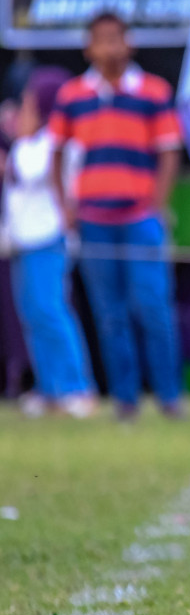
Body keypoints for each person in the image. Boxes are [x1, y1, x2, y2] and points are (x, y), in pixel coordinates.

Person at [50, 13, 183, 421]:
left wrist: (156, 204)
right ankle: (126, 400)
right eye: (101, 40)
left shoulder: (153, 91)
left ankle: (168, 397)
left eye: (116, 38)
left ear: (130, 43)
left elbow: (168, 151)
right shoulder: (73, 95)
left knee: (153, 308)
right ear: (88, 48)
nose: (109, 47)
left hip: (140, 218)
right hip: (93, 219)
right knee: (110, 315)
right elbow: (55, 153)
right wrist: (65, 206)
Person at [4, 67, 96, 417]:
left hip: (49, 238)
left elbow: (28, 171)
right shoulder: (29, 142)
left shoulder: (58, 142)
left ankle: (77, 387)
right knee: (32, 314)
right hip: (23, 240)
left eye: (28, 102)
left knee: (52, 311)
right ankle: (51, 388)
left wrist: (18, 140)